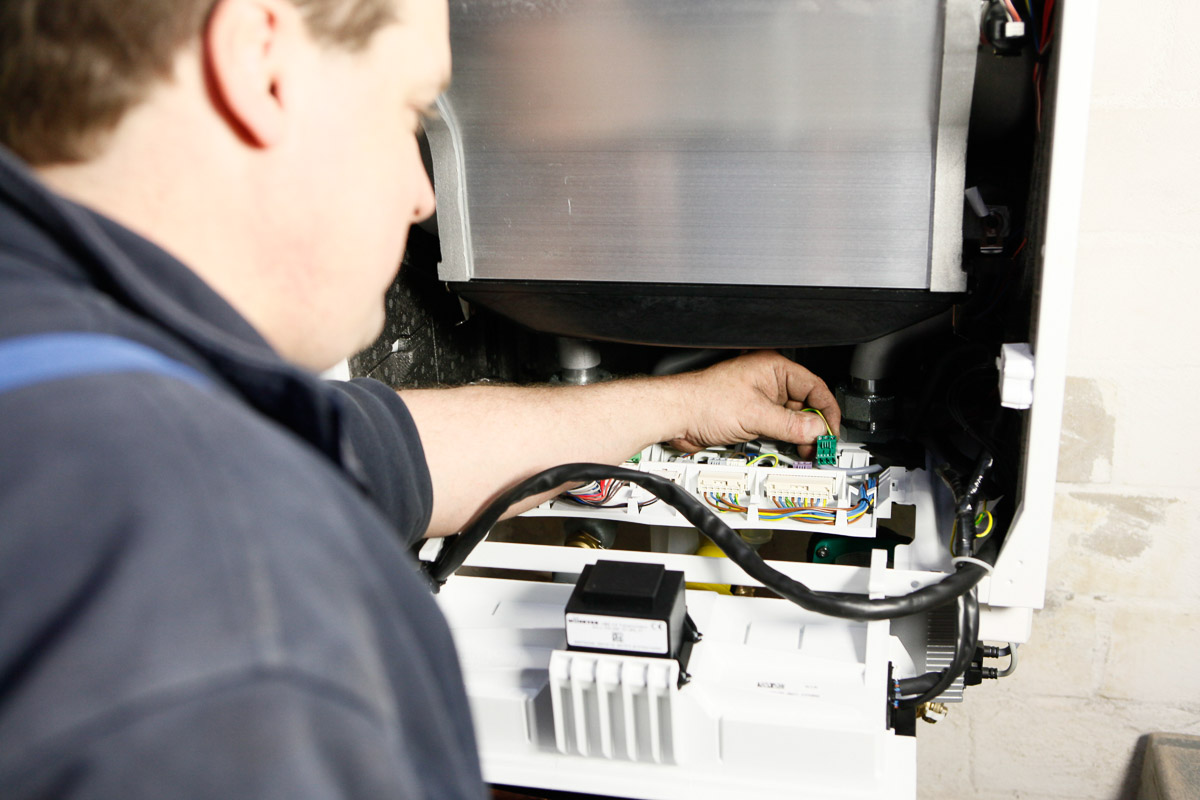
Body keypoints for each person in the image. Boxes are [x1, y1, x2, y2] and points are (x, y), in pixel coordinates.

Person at [0, 0, 841, 797]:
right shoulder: (249, 627)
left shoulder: (61, 360)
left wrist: (683, 405)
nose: (423, 195)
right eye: (409, 116)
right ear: (260, 66)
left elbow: (387, 450)